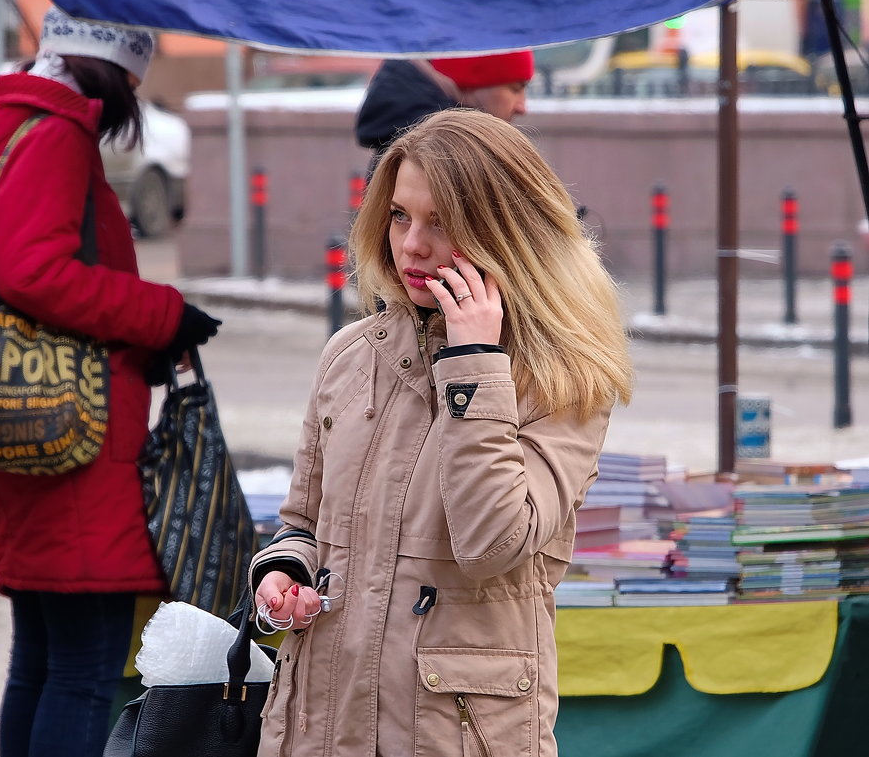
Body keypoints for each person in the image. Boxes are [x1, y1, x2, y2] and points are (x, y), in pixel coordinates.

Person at [251, 108, 633, 757]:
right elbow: (301, 520)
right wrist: (285, 572)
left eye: (440, 222)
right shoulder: (351, 354)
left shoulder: (561, 377)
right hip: (318, 722)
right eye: (399, 215)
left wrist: (474, 363)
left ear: (504, 231)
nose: (411, 245)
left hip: (447, 731)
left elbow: (493, 541)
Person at [0, 6, 220, 757]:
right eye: (133, 85)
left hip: (26, 421)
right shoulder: (55, 136)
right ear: (113, 71)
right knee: (82, 666)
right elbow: (34, 272)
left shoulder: (11, 128)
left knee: (41, 655)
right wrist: (160, 314)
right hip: (70, 437)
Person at [355, 50, 534, 173]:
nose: (522, 107)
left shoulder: (410, 138)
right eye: (515, 88)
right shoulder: (449, 154)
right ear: (471, 81)